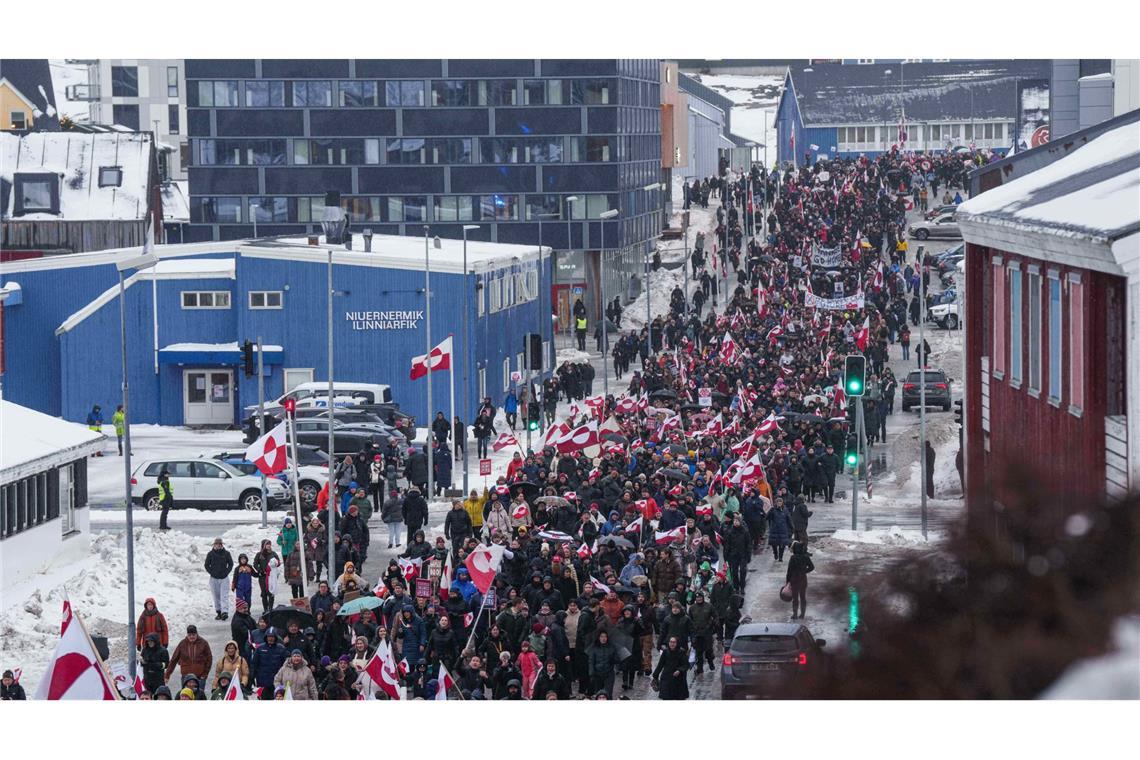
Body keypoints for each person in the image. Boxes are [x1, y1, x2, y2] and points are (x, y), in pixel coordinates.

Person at [651, 635, 689, 700]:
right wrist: (655, 675)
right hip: (667, 678)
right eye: (671, 642)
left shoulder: (681, 652)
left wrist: (679, 670)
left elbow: (686, 665)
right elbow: (660, 664)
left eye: (674, 642)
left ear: (677, 643)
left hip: (678, 681)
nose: (672, 644)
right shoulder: (665, 652)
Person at [204, 537, 234, 621]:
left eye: (219, 544)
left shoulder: (226, 553)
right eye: (216, 544)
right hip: (214, 578)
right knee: (216, 596)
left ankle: (225, 612)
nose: (218, 546)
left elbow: (230, 564)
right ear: (214, 545)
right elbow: (206, 565)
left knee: (224, 595)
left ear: (221, 545)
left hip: (224, 577)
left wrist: (226, 572)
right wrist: (211, 572)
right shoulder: (210, 554)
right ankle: (219, 611)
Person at [786, 541, 815, 620]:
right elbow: (812, 567)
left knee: (795, 598)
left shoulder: (793, 558)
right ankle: (802, 614)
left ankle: (795, 615)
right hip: (803, 579)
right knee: (803, 597)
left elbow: (789, 571)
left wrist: (787, 582)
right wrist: (804, 571)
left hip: (794, 579)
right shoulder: (806, 557)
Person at [253, 539, 280, 614]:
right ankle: (266, 609)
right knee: (264, 593)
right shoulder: (259, 554)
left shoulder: (273, 553)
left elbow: (279, 562)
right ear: (263, 545)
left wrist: (275, 563)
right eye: (267, 544)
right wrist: (260, 570)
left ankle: (270, 609)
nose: (268, 545)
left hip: (271, 576)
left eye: (269, 544)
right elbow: (255, 564)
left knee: (271, 592)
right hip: (263, 576)